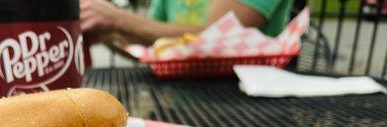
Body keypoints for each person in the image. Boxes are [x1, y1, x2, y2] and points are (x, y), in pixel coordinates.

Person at [81, 0, 293, 46]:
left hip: (249, 107)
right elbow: (154, 40)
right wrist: (104, 30)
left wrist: (118, 18)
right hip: (177, 100)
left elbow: (220, 36)